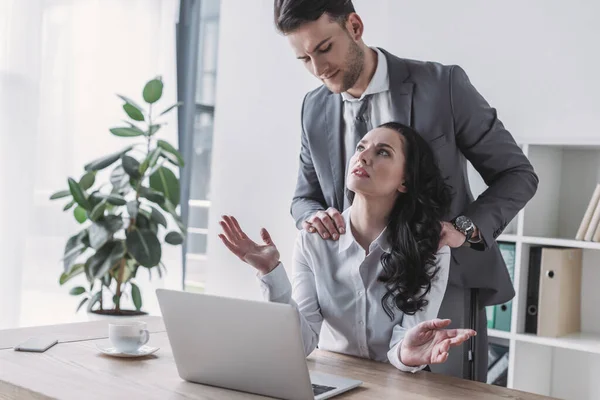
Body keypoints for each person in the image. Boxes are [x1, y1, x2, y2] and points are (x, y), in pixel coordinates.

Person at [274, 0, 538, 381]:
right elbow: (304, 197)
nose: (318, 70)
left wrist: (462, 228)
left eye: (325, 48)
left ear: (354, 26)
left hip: (446, 283)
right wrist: (314, 218)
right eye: (304, 59)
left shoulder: (441, 85)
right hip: (349, 307)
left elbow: (517, 174)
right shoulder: (313, 108)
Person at [218, 123, 476, 372]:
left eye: (383, 152)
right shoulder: (312, 241)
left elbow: (407, 344)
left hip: (395, 382)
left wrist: (407, 354)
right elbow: (300, 343)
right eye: (360, 147)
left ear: (405, 181)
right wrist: (270, 271)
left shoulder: (432, 247)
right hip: (331, 377)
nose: (363, 157)